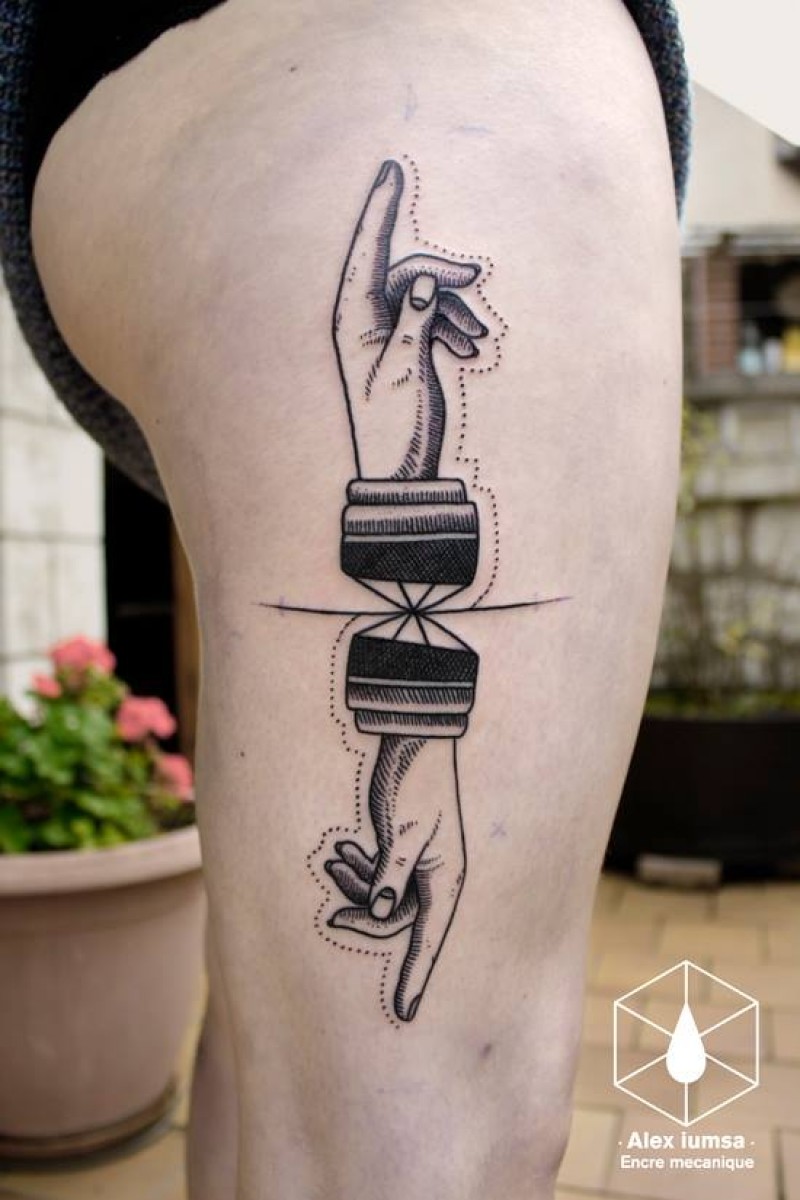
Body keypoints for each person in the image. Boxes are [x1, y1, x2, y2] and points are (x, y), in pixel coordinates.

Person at [2, 1, 689, 1196]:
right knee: (408, 1139)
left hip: (140, 128)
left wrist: (416, 757)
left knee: (272, 1046)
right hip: (405, 71)